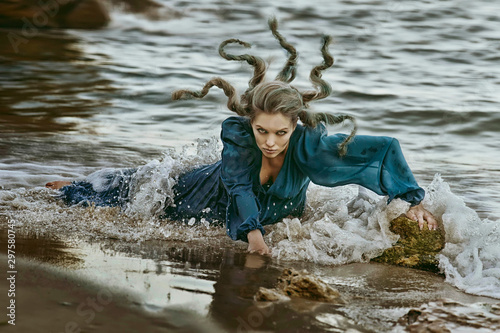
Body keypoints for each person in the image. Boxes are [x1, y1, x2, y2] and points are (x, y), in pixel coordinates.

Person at [46, 18, 437, 255]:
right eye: (262, 130)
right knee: (131, 192)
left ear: (295, 126)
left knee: (131, 185)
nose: (270, 141)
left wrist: (410, 198)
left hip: (252, 208)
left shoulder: (309, 144)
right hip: (195, 198)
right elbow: (239, 188)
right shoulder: (239, 140)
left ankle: (89, 182)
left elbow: (386, 148)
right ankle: (79, 184)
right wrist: (254, 238)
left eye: (280, 133)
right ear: (249, 123)